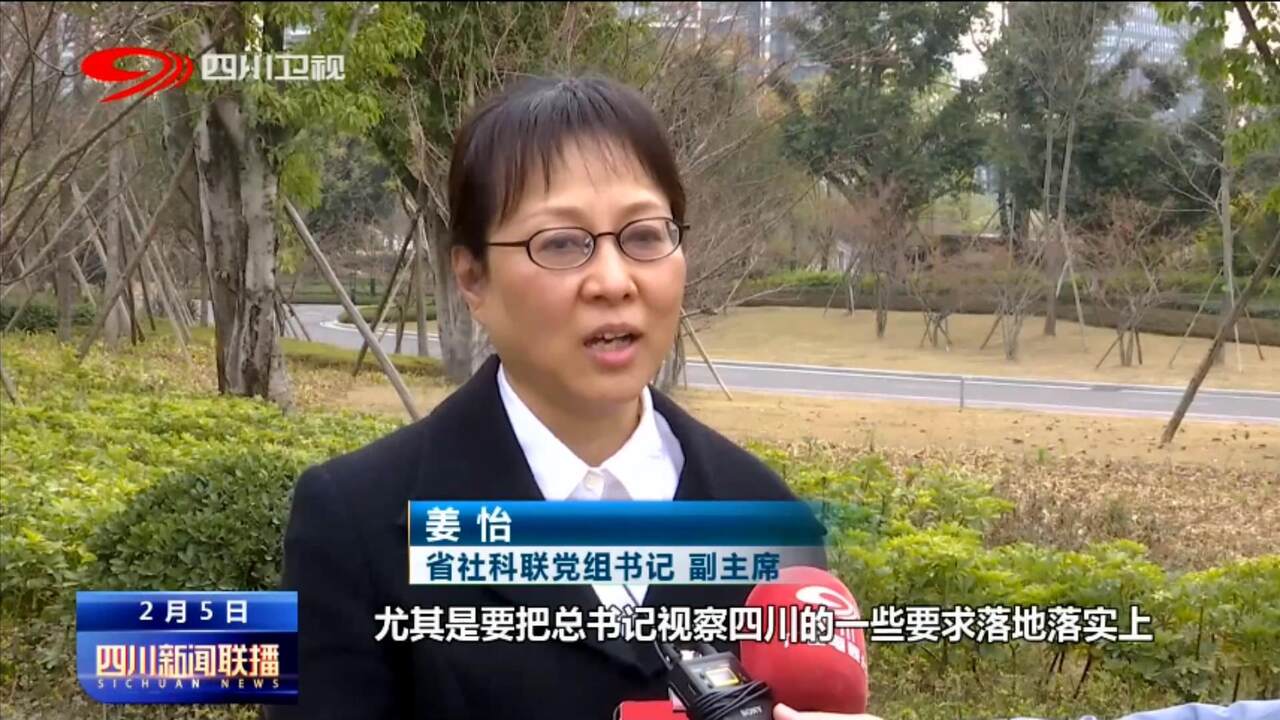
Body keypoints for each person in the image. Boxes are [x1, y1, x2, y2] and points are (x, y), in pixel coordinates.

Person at [269, 74, 880, 720]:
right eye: (561, 243)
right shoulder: (351, 521)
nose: (613, 281)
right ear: (473, 278)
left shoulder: (770, 521)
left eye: (644, 236)